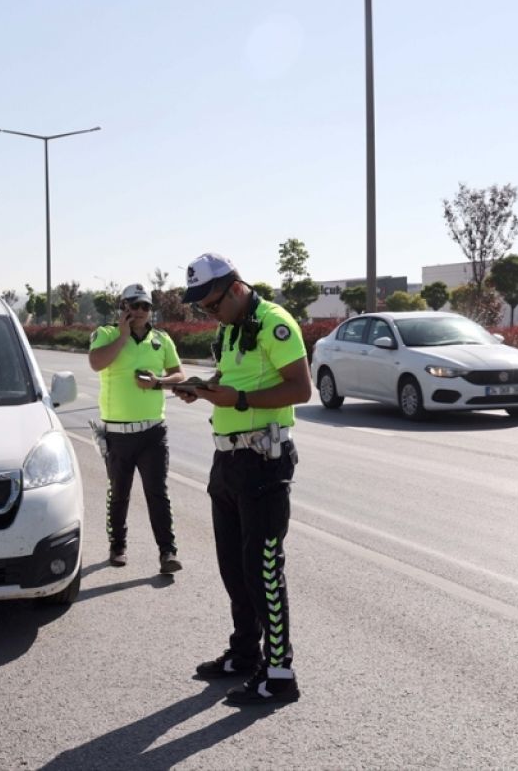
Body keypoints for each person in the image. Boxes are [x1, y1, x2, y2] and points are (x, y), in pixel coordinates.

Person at [174, 253, 312, 705]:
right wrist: (203, 388)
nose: (207, 313)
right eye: (202, 309)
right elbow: (232, 381)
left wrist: (238, 399)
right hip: (227, 462)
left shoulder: (274, 322)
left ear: (235, 289)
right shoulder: (231, 327)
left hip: (264, 463)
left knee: (263, 569)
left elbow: (300, 387)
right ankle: (245, 653)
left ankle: (280, 672)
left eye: (211, 304)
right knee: (234, 567)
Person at [88, 283, 187, 574]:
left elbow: (179, 374)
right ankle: (118, 545)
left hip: (152, 432)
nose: (140, 311)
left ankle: (167, 552)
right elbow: (95, 363)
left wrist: (159, 382)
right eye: (134, 305)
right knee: (119, 492)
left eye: (145, 306)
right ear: (123, 308)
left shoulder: (161, 339)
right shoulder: (106, 334)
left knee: (158, 492)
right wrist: (122, 337)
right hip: (118, 434)